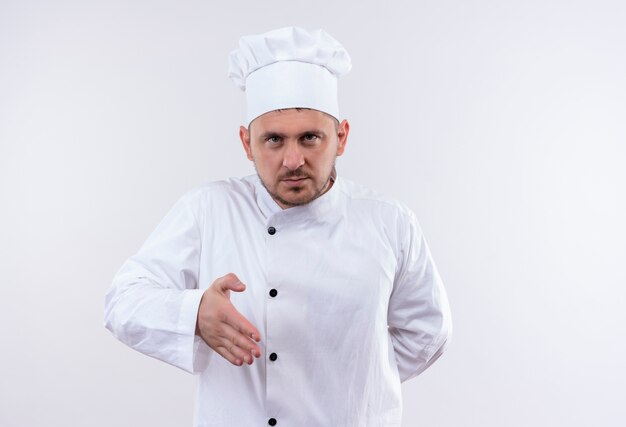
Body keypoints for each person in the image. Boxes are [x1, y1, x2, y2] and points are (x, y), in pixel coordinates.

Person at [104, 26, 452, 427]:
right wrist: (194, 313)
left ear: (341, 137)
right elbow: (122, 301)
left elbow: (428, 330)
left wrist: (356, 376)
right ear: (245, 142)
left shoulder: (390, 221)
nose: (292, 160)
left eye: (310, 138)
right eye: (273, 140)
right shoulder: (209, 209)